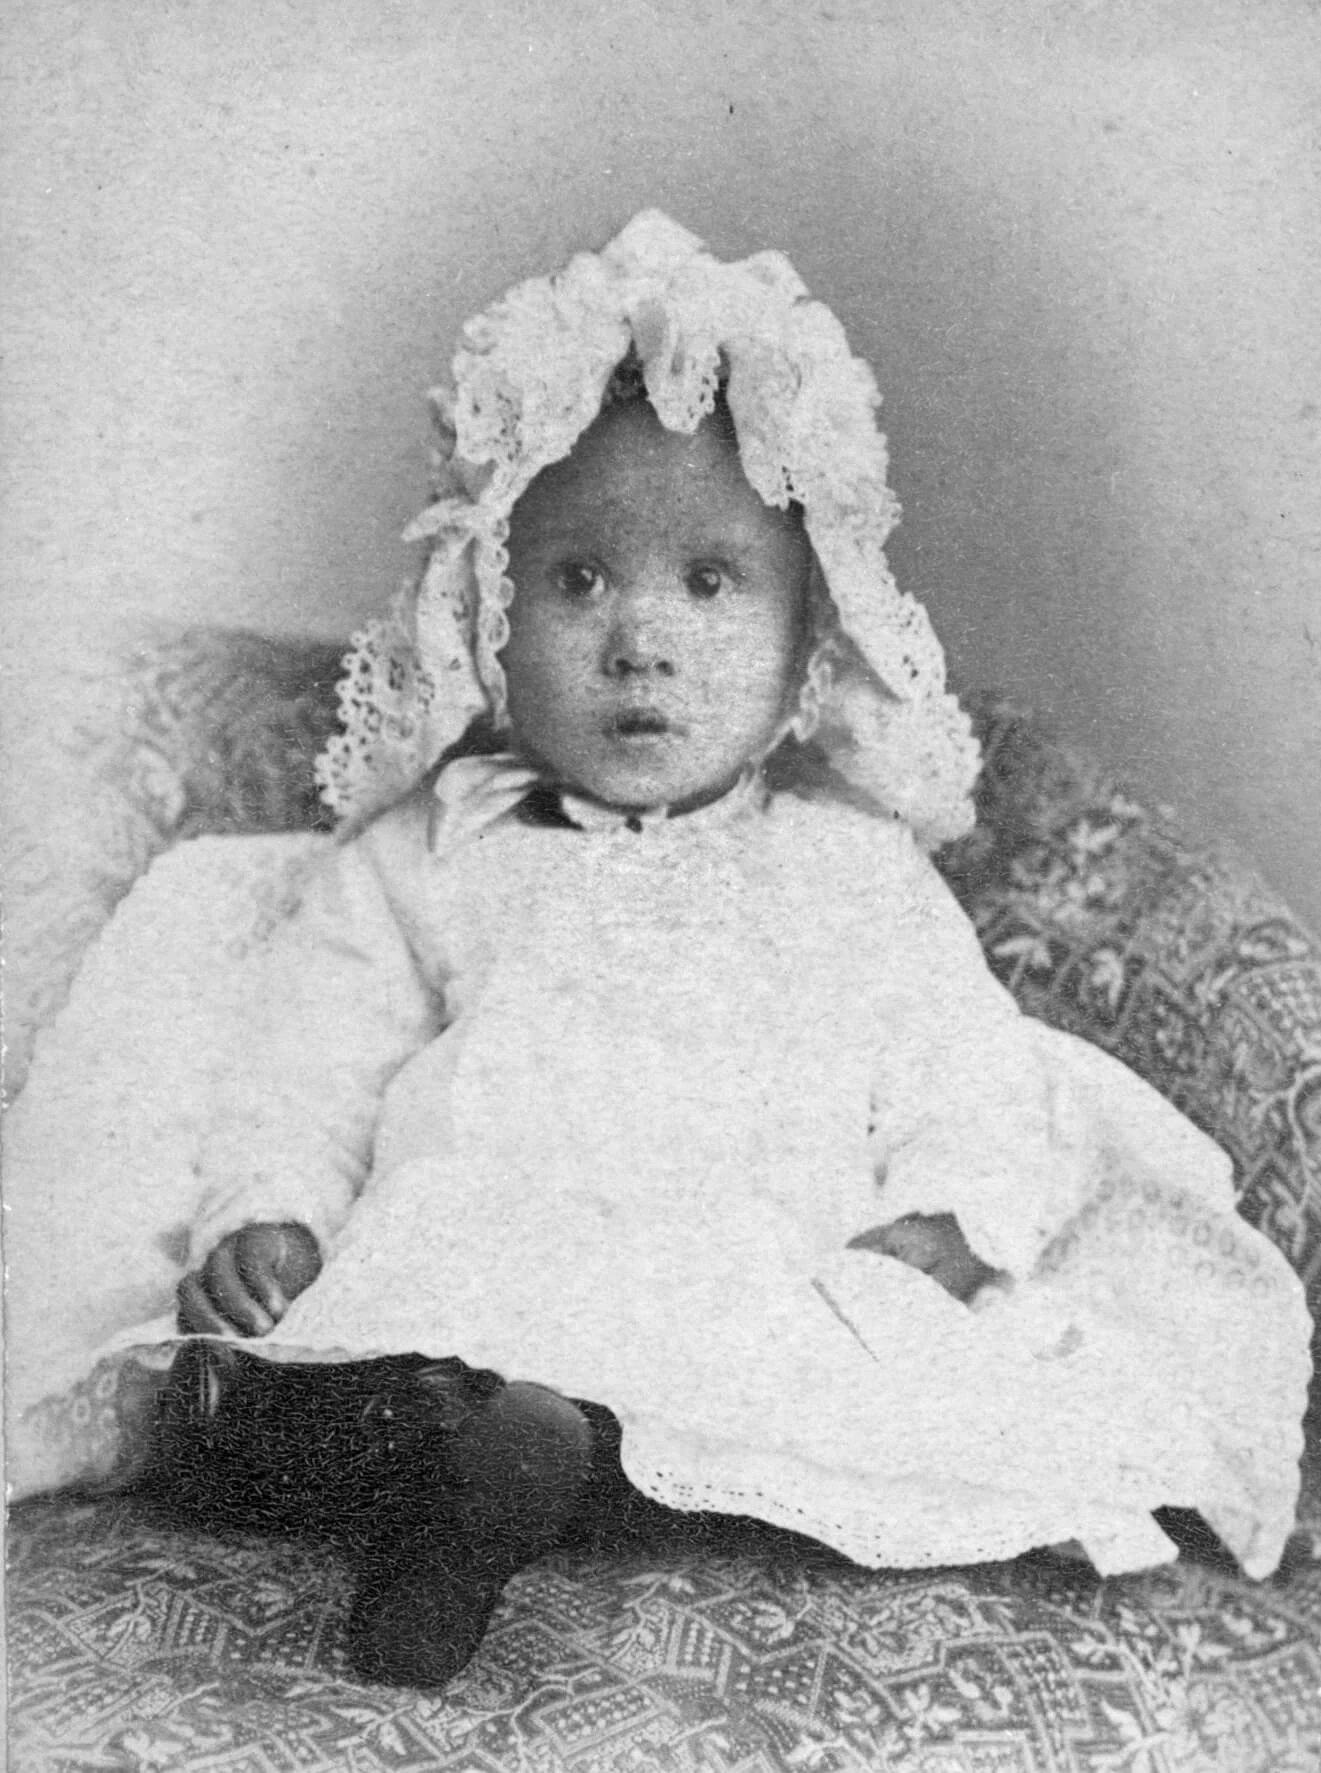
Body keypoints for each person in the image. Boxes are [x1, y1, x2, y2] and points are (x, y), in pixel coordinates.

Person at [5, 214, 1311, 1691]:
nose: (640, 640)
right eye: (574, 582)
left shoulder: (846, 868)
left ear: (806, 634)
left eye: (708, 583)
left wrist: (948, 1218)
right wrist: (273, 1208)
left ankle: (547, 1479)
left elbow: (972, 1070)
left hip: (724, 1271)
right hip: (464, 1261)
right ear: (488, 620)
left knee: (742, 1400)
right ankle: (456, 1473)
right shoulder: (430, 853)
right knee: (268, 1391)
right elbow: (303, 1062)